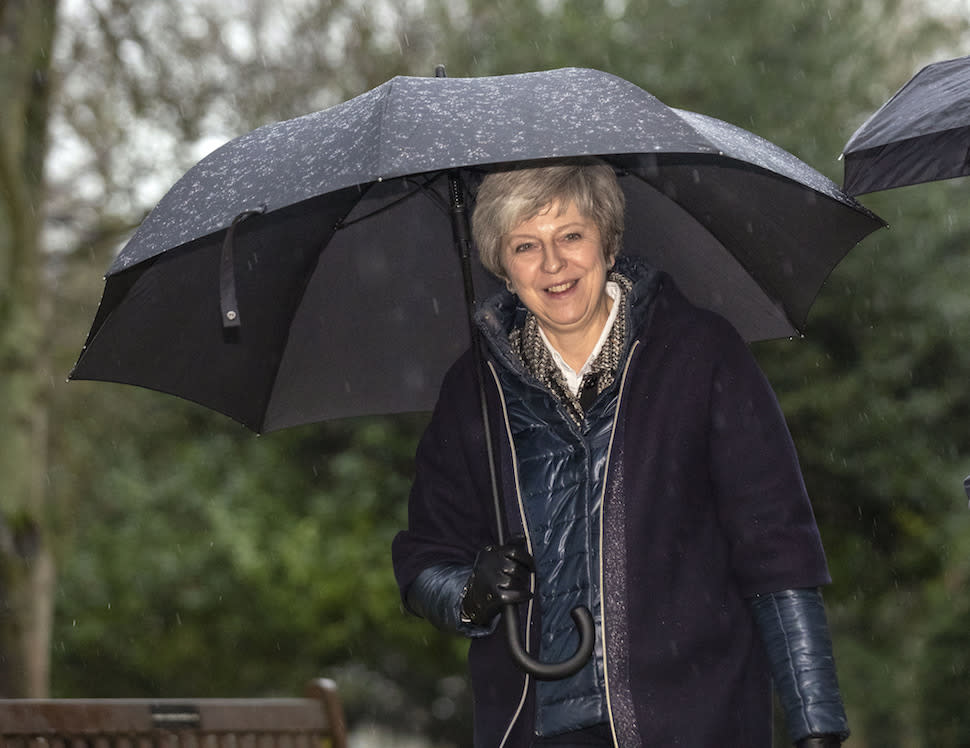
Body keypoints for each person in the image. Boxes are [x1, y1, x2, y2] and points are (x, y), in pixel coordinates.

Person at [392, 158, 849, 748]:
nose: (553, 264)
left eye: (571, 236)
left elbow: (777, 550)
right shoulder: (472, 392)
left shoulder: (702, 353)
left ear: (607, 242)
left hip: (695, 719)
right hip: (532, 727)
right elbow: (423, 558)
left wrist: (816, 725)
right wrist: (468, 592)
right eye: (526, 245)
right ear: (503, 268)